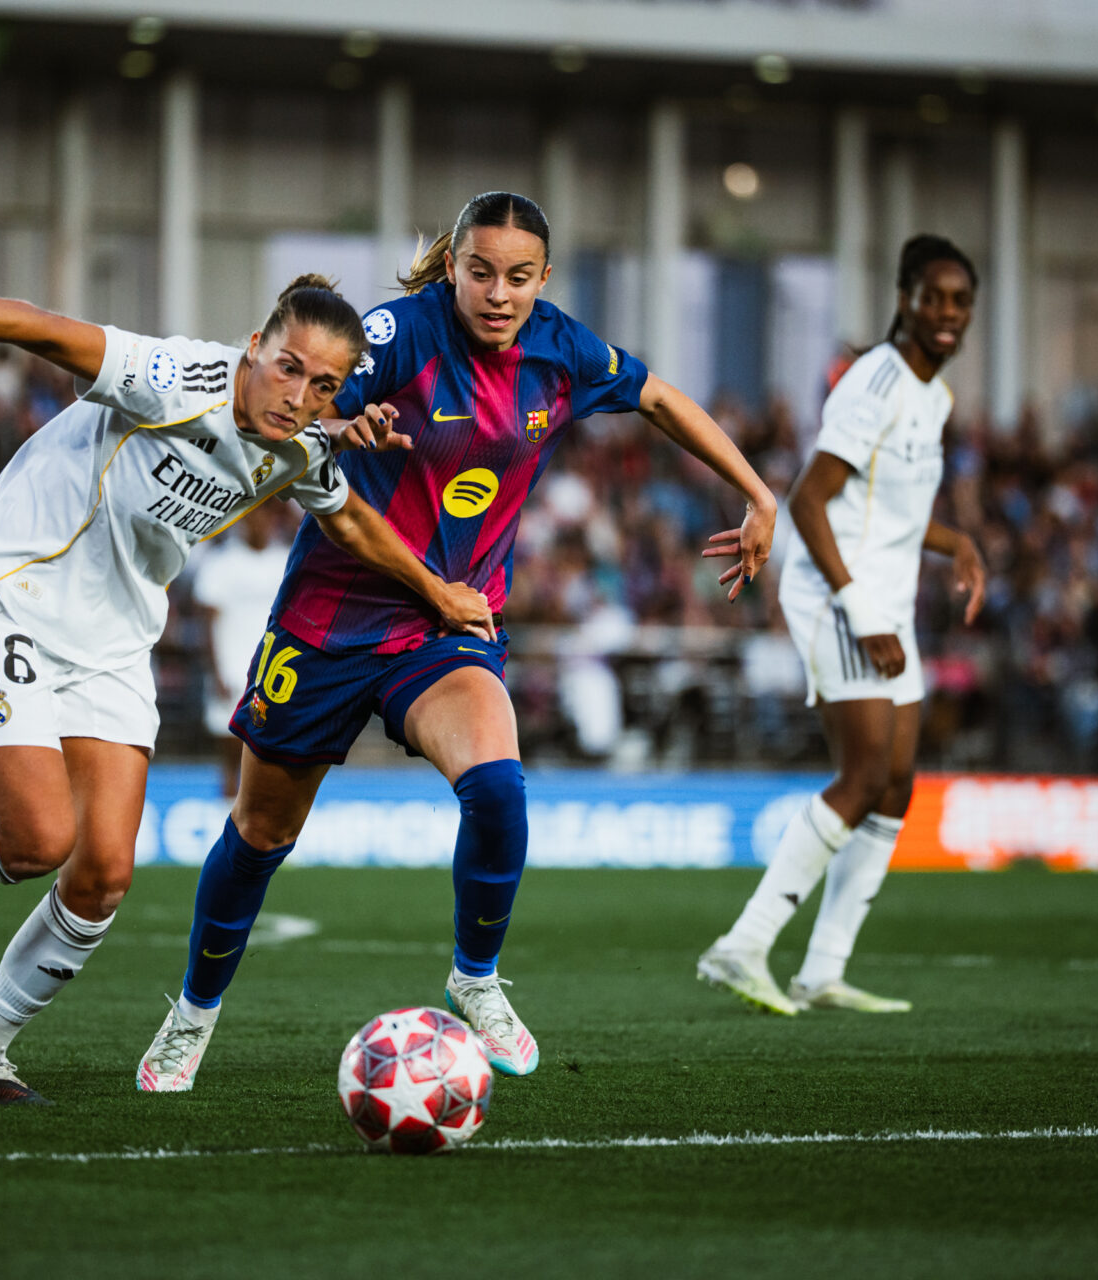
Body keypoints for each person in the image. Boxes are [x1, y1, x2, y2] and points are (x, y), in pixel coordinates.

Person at [0, 256, 493, 1105]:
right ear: (253, 346)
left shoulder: (301, 445)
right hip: (8, 596)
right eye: (288, 368)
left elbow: (349, 520)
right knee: (38, 840)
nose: (298, 396)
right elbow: (44, 328)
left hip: (114, 644)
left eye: (323, 386)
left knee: (101, 880)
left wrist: (439, 593)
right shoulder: (177, 377)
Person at [136, 191, 777, 1092]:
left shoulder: (561, 349)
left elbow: (660, 397)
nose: (498, 293)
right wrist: (342, 421)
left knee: (498, 786)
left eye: (518, 276)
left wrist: (758, 493)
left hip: (447, 623)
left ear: (544, 278)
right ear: (452, 267)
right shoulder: (399, 333)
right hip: (326, 621)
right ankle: (192, 1015)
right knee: (261, 832)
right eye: (480, 272)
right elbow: (302, 408)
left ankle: (476, 978)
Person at [697, 233, 986, 1016]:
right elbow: (809, 501)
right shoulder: (876, 382)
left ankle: (822, 970)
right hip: (839, 597)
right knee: (862, 777)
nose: (948, 313)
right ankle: (742, 946)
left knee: (895, 784)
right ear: (905, 300)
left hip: (885, 600)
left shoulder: (934, 397)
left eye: (961, 301)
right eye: (934, 297)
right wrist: (858, 610)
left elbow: (889, 511)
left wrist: (954, 542)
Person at [189, 502, 294, 795]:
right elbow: (207, 625)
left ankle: (263, 816)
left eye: (269, 515)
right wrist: (215, 674)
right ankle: (227, 811)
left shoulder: (285, 561)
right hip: (232, 674)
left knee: (271, 756)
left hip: (273, 676)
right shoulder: (221, 563)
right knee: (232, 756)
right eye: (258, 514)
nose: (264, 522)